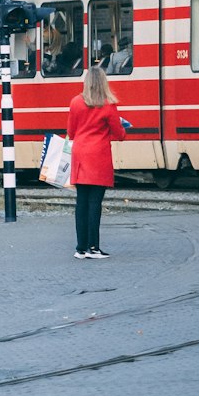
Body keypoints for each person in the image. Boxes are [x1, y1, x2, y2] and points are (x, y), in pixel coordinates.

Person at [66, 64, 128, 260]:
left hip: (80, 155)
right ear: (103, 82)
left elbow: (71, 132)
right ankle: (94, 248)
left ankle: (80, 248)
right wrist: (123, 127)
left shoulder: (76, 102)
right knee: (95, 204)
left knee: (81, 203)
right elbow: (119, 135)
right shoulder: (108, 105)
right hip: (98, 157)